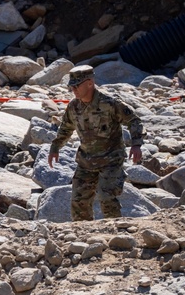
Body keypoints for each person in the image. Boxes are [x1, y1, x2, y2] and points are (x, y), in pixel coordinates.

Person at [47, 65, 143, 221]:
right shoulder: (73, 106)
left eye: (77, 85)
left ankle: (116, 232)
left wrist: (136, 144)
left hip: (111, 160)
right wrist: (55, 147)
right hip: (86, 161)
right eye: (72, 86)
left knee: (106, 197)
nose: (74, 90)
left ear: (90, 83)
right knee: (79, 201)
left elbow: (133, 120)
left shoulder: (109, 103)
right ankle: (83, 235)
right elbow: (65, 128)